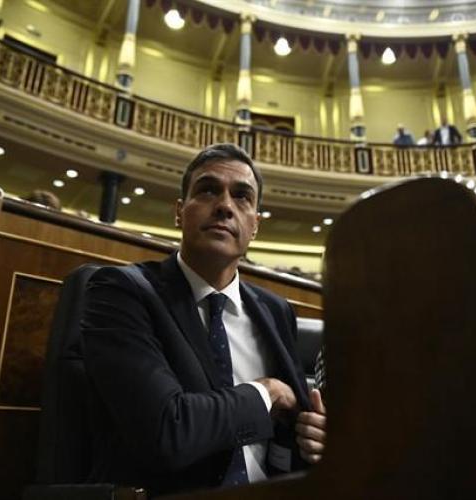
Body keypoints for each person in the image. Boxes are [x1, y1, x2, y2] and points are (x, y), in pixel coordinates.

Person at [80, 143, 326, 495]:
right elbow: (166, 432)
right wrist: (266, 392)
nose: (225, 205)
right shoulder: (121, 291)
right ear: (180, 212)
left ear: (255, 225)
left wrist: (312, 437)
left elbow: (290, 431)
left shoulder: (276, 311)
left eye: (242, 196)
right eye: (208, 190)